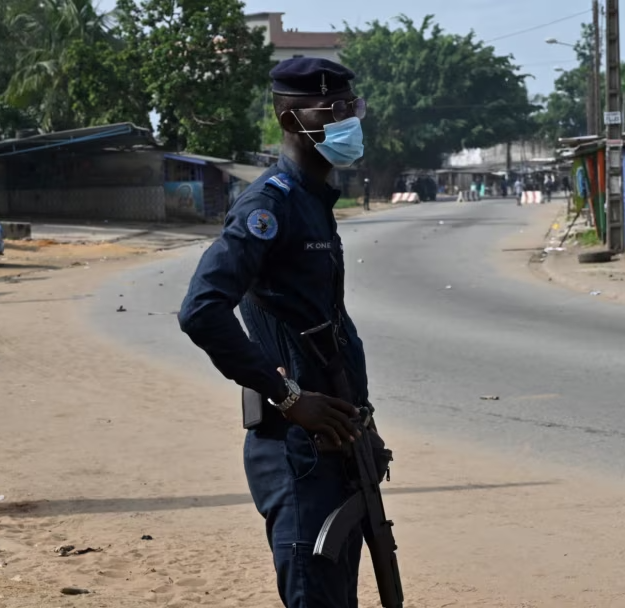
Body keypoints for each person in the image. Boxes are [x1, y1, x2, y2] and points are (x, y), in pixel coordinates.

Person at [177, 56, 383, 608]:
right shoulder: (268, 205)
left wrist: (363, 424)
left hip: (335, 441)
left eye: (352, 107)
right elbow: (201, 310)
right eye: (332, 109)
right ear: (292, 122)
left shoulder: (314, 203)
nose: (348, 119)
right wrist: (289, 397)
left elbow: (328, 330)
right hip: (296, 451)